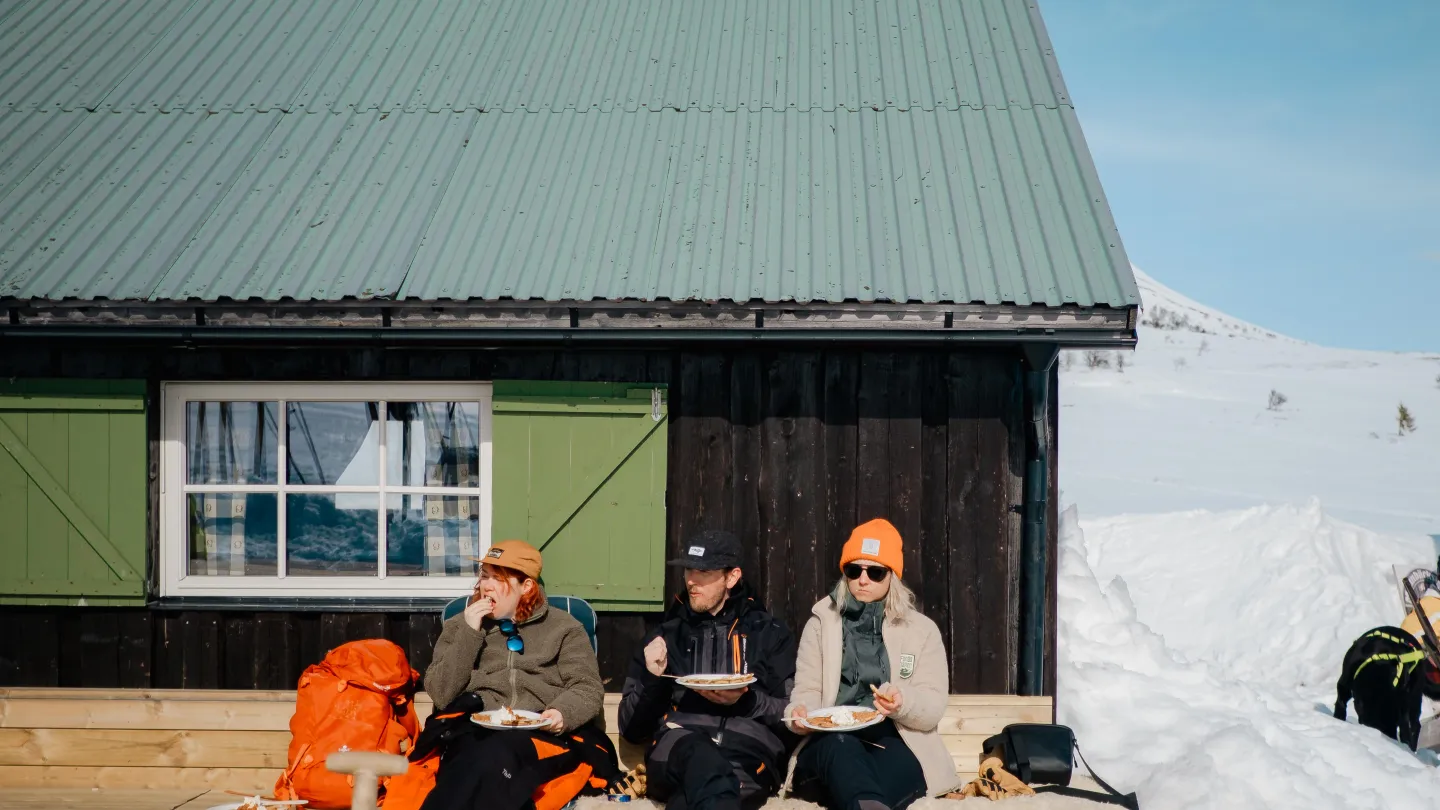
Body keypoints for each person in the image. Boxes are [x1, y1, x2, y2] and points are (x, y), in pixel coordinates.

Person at [417, 540, 613, 810]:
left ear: (527, 586)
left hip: (542, 735)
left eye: (498, 579)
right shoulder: (460, 627)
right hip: (473, 731)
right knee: (475, 761)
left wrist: (561, 714)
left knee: (493, 760)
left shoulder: (564, 628)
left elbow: (587, 687)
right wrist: (469, 632)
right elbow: (440, 692)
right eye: (484, 576)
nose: (486, 585)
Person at [783, 519, 958, 810]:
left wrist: (902, 702)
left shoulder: (921, 630)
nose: (863, 580)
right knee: (841, 751)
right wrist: (799, 714)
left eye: (875, 572)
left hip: (895, 738)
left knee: (880, 779)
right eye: (854, 570)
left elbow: (933, 704)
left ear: (893, 576)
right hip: (830, 739)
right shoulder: (820, 623)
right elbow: (807, 690)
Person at [618, 529, 798, 810]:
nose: (691, 580)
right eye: (689, 570)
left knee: (697, 797)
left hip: (748, 753)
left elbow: (792, 716)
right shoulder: (665, 637)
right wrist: (653, 678)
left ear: (732, 577)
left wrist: (748, 701)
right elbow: (630, 730)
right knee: (703, 762)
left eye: (704, 572)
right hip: (678, 746)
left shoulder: (770, 634)